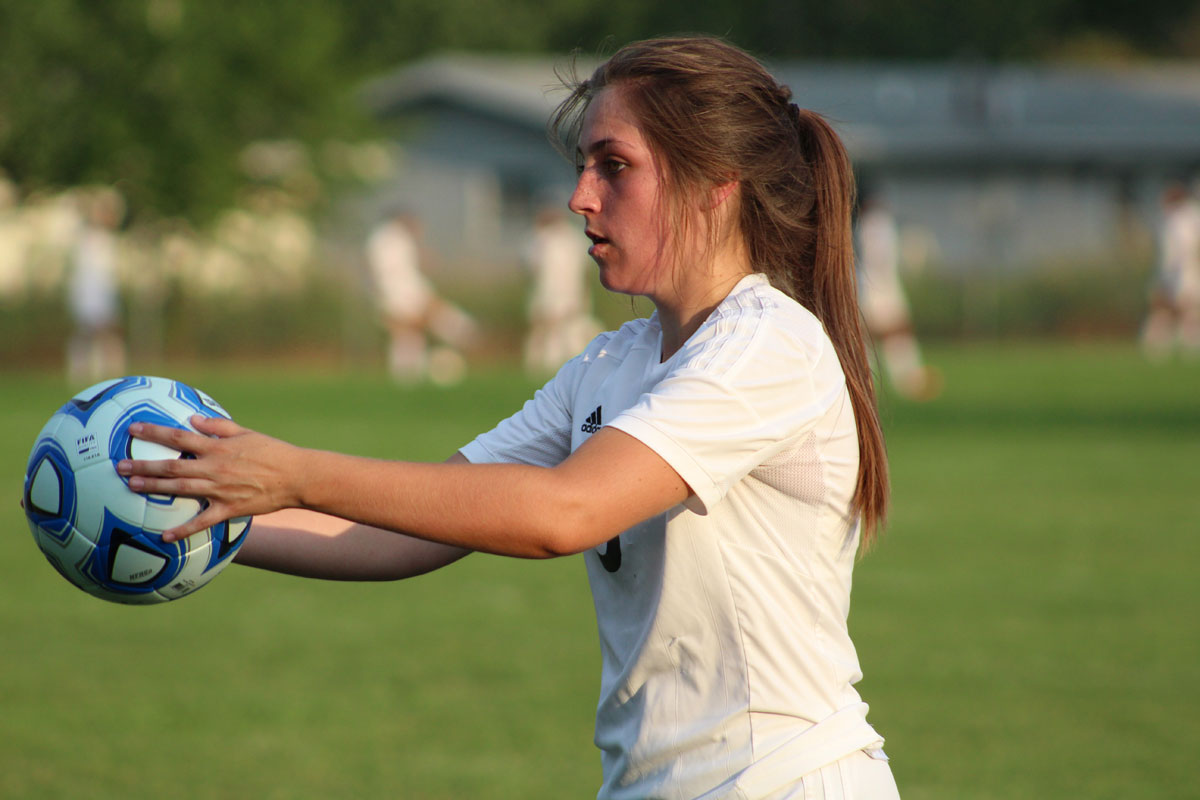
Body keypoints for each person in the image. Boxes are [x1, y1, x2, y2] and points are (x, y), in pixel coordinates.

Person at [121, 36, 899, 799]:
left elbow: (562, 514)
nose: (580, 195)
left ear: (715, 185)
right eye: (584, 164)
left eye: (615, 165)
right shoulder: (607, 366)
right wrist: (174, 523)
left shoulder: (766, 345)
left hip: (782, 779)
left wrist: (292, 472)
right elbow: (410, 525)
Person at [364, 208, 478, 384]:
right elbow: (392, 272)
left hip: (399, 291)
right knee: (418, 326)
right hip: (402, 291)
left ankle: (407, 375)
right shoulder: (393, 238)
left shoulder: (382, 238)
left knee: (408, 333)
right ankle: (464, 339)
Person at [856, 188, 941, 400]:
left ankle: (873, 381)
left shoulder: (869, 222)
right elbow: (878, 258)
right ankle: (904, 380)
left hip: (872, 285)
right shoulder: (876, 223)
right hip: (877, 286)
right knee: (888, 332)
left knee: (871, 335)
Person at [523, 203, 602, 374]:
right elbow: (586, 268)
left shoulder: (542, 238)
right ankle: (576, 368)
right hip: (572, 294)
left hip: (549, 294)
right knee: (568, 331)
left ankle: (543, 369)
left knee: (550, 333)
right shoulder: (576, 238)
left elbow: (531, 267)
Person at [66, 187, 126, 385]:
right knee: (90, 331)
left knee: (106, 331)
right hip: (88, 292)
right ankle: (81, 370)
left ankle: (108, 371)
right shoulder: (87, 237)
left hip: (104, 291)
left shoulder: (108, 239)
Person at [1140, 181, 1200, 360]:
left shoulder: (1181, 219)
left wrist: (1169, 276)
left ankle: (1161, 346)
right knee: (1186, 310)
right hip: (1185, 271)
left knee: (1175, 308)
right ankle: (1186, 346)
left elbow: (1180, 251)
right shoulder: (1191, 216)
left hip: (1181, 272)